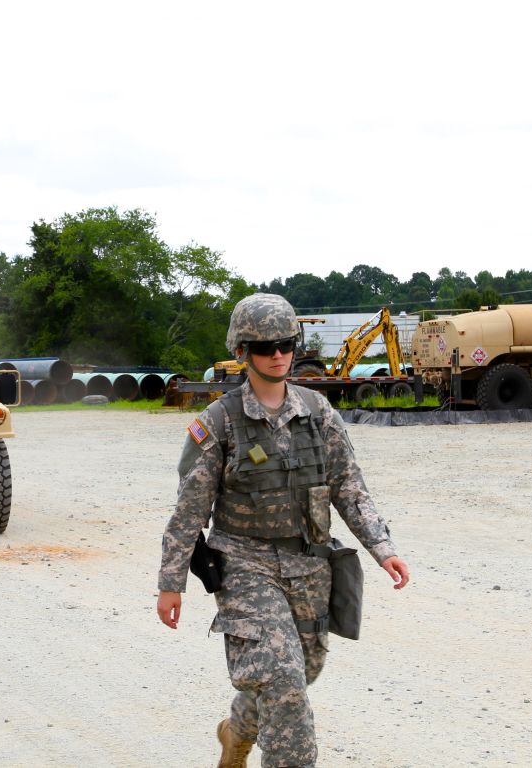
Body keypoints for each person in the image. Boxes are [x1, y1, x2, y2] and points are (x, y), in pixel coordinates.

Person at [156, 293, 410, 768]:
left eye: (287, 343)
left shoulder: (319, 413)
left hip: (309, 564)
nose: (278, 354)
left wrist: (382, 546)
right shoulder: (219, 423)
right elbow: (189, 512)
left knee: (300, 670)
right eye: (264, 346)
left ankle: (236, 733)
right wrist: (171, 584)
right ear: (242, 352)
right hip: (244, 565)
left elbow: (349, 488)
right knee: (283, 682)